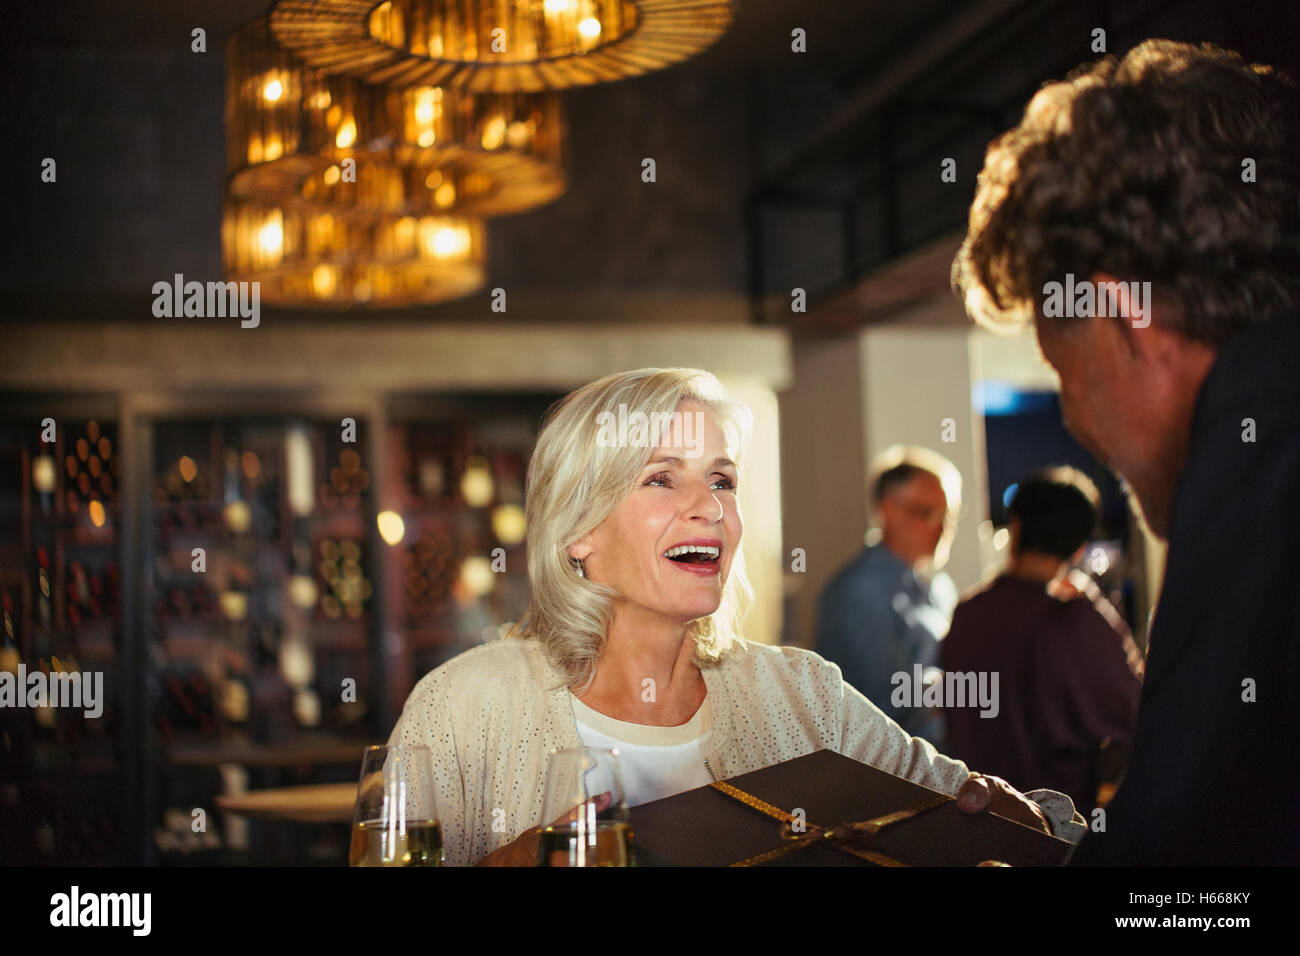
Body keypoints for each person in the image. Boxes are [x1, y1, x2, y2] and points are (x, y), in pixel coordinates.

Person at [387, 368, 1081, 865]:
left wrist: (1021, 818)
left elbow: (967, 810)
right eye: (662, 478)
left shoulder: (801, 694)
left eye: (721, 479)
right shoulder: (461, 708)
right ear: (579, 531)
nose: (710, 506)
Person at [952, 39, 1300, 864]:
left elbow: (1185, 877)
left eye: (1063, 369)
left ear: (1124, 317)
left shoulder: (1257, 458)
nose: (1074, 418)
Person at [942, 466, 1144, 814]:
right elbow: (1135, 710)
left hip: (974, 813)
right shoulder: (1075, 619)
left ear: (1016, 527)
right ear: (1080, 547)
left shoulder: (968, 613)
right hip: (1056, 826)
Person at [815, 448, 961, 746]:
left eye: (949, 515)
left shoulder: (937, 587)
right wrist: (961, 688)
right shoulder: (859, 591)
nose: (943, 528)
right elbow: (884, 704)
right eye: (928, 513)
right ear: (890, 511)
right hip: (897, 772)